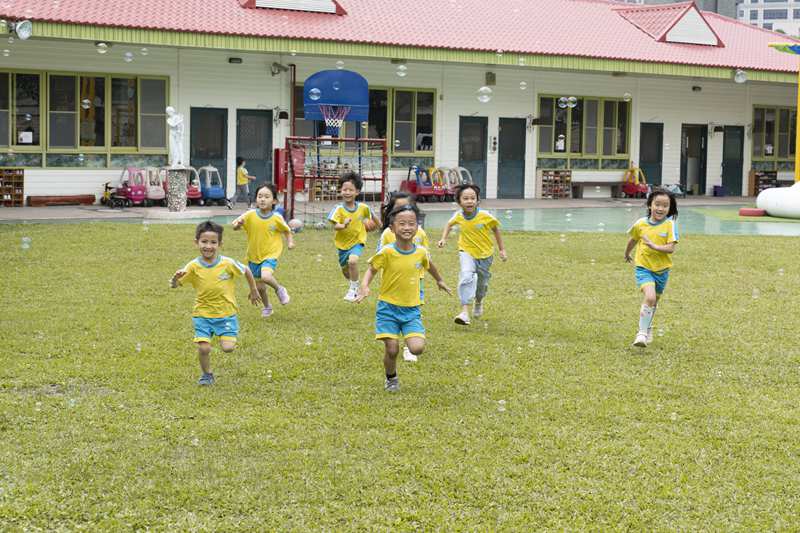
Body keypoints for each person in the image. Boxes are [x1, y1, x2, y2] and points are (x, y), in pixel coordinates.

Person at [356, 204, 451, 392]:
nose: (407, 227)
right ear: (392, 228)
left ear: (417, 227)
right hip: (388, 308)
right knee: (392, 349)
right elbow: (371, 269)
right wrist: (365, 286)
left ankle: (407, 342)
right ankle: (391, 378)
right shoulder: (387, 252)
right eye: (402, 224)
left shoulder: (421, 252)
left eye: (411, 224)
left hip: (411, 310)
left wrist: (439, 280)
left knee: (417, 348)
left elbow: (430, 265)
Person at [170, 221, 260, 385]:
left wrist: (254, 290)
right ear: (196, 242)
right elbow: (175, 285)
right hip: (202, 314)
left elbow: (246, 269)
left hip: (226, 314)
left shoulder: (227, 263)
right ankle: (207, 374)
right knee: (204, 348)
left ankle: (224, 336)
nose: (208, 246)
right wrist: (175, 280)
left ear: (220, 244)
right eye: (204, 242)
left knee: (228, 348)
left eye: (213, 242)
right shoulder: (193, 266)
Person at [437, 184, 507, 325]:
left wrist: (502, 249)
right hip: (466, 251)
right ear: (459, 201)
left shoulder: (485, 216)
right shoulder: (458, 216)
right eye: (466, 198)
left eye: (472, 198)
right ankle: (464, 312)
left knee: (482, 284)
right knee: (466, 275)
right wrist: (443, 238)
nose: (469, 201)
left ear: (477, 200)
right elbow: (449, 225)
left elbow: (496, 230)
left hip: (485, 254)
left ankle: (479, 302)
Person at [377, 191, 429, 362]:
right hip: (394, 281)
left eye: (406, 207)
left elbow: (425, 256)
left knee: (412, 308)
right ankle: (395, 339)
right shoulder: (387, 234)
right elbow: (380, 257)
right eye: (398, 208)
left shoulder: (419, 233)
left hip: (415, 278)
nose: (403, 210)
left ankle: (409, 344)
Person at [624, 187, 679, 347]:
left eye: (665, 205)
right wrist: (627, 253)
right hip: (644, 268)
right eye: (657, 204)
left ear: (669, 208)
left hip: (662, 271)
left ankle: (647, 327)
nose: (660, 208)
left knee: (653, 302)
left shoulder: (670, 225)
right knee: (650, 297)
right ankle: (641, 334)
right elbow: (633, 239)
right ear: (650, 205)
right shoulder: (640, 224)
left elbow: (671, 248)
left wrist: (654, 246)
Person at [232, 183, 294, 318]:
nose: (262, 199)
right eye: (260, 196)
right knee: (260, 288)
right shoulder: (250, 215)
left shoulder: (276, 218)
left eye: (266, 196)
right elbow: (235, 226)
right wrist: (238, 225)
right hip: (253, 256)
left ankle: (279, 289)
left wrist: (290, 242)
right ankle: (267, 307)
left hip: (270, 254)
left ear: (274, 201)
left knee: (266, 276)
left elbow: (287, 231)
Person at [327, 172, 381, 302]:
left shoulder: (363, 207)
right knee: (347, 272)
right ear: (341, 190)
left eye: (350, 190)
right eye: (344, 189)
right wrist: (343, 225)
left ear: (357, 192)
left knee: (353, 261)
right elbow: (335, 226)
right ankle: (353, 282)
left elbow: (373, 217)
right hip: (342, 245)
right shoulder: (338, 209)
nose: (347, 192)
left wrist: (380, 226)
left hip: (358, 241)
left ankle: (353, 289)